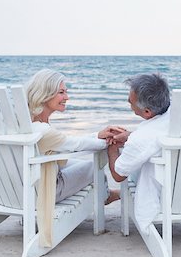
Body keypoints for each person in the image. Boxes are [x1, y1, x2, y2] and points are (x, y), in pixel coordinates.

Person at [25, 68, 121, 205]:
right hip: (48, 191)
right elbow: (76, 145)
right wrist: (112, 141)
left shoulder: (29, 123)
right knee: (92, 167)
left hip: (25, 188)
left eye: (66, 92)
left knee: (75, 163)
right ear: (45, 94)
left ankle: (107, 193)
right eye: (61, 92)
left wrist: (97, 135)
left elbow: (68, 141)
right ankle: (107, 195)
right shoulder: (43, 130)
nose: (66, 97)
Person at [106, 73, 171, 234]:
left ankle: (118, 193)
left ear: (147, 112)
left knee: (135, 164)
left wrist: (112, 147)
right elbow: (152, 136)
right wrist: (131, 136)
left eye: (131, 102)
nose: (129, 104)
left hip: (165, 197)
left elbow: (119, 175)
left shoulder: (141, 139)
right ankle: (118, 194)